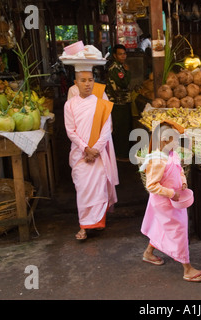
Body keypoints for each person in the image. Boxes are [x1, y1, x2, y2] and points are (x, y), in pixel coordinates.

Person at [139, 121, 201, 282]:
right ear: (163, 141)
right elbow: (151, 185)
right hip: (165, 203)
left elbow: (179, 169)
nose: (177, 143)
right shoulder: (157, 160)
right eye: (174, 140)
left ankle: (148, 253)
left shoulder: (171, 154)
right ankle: (187, 268)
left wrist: (183, 181)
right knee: (179, 231)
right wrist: (171, 193)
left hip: (175, 200)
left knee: (162, 227)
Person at [64, 67, 119, 240]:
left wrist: (95, 149)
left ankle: (98, 221)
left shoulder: (101, 103)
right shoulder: (70, 104)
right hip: (80, 154)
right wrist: (85, 149)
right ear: (76, 83)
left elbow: (105, 130)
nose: (87, 84)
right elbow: (70, 131)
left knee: (99, 188)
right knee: (83, 189)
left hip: (99, 154)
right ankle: (84, 225)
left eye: (90, 80)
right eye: (83, 80)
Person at [105, 44, 132, 160]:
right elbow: (124, 83)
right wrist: (128, 72)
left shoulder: (120, 66)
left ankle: (124, 153)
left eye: (124, 54)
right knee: (120, 128)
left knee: (125, 128)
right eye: (120, 54)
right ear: (115, 55)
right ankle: (119, 155)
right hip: (118, 103)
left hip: (123, 101)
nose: (123, 56)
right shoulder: (115, 68)